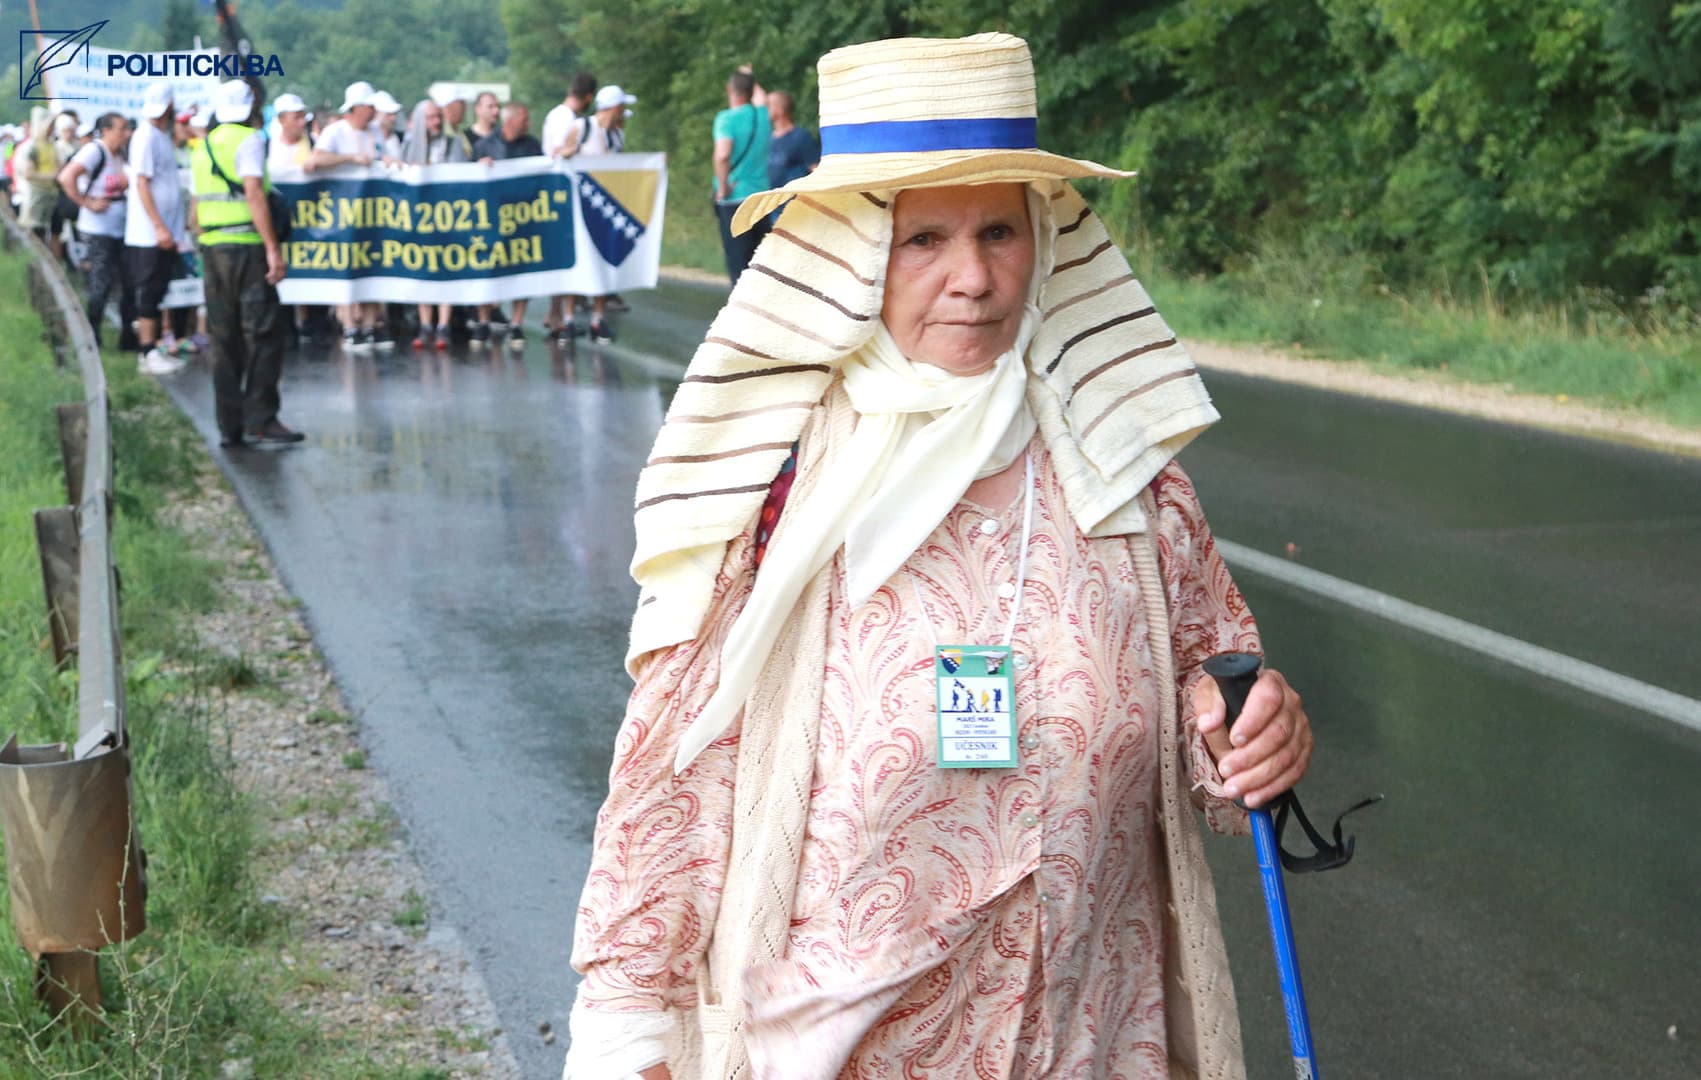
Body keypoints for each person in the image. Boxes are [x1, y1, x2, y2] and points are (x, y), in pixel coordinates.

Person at [563, 33, 1316, 1080]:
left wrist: (1253, 742)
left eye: (1000, 230)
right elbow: (669, 783)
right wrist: (626, 1033)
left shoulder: (1121, 467)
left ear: (1045, 243)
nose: (973, 277)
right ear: (855, 255)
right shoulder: (769, 479)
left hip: (1091, 1039)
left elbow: (1214, 706)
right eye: (925, 240)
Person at [193, 79, 301, 448]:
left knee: (224, 338)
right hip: (246, 248)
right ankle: (261, 417)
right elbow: (254, 193)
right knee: (264, 332)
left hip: (213, 247)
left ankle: (229, 425)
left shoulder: (203, 145)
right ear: (251, 106)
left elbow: (196, 206)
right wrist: (273, 248)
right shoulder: (249, 140)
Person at [555, 84, 635, 345]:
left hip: (603, 207)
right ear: (614, 107)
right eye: (622, 107)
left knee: (602, 260)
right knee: (576, 261)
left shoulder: (617, 135)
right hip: (578, 206)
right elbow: (560, 156)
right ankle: (567, 319)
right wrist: (570, 154)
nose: (624, 113)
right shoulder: (582, 128)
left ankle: (598, 318)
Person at [312, 81, 389, 351]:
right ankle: (350, 327)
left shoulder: (376, 131)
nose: (373, 113)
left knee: (372, 266)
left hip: (372, 212)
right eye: (369, 107)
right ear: (358, 108)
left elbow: (384, 157)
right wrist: (350, 158)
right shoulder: (335, 132)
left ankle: (370, 326)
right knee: (345, 268)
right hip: (342, 212)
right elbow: (315, 160)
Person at [125, 83, 189, 376]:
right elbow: (141, 183)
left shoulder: (161, 136)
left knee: (159, 288)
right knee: (149, 291)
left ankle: (154, 348)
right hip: (149, 232)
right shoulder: (145, 137)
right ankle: (147, 351)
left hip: (165, 231)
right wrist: (159, 225)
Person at [59, 112, 135, 349]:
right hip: (97, 228)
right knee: (101, 282)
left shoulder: (122, 153)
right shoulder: (95, 151)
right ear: (106, 130)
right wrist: (87, 202)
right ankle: (93, 334)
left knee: (127, 282)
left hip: (120, 227)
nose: (126, 134)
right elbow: (66, 176)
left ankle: (127, 336)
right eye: (121, 129)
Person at [472, 102, 544, 350]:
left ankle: (516, 323)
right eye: (524, 120)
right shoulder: (484, 145)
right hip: (491, 218)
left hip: (522, 218)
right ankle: (483, 321)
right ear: (510, 121)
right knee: (487, 267)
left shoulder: (532, 146)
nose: (528, 125)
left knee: (521, 269)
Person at [402, 98, 467, 350]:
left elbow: (461, 174)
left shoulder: (452, 144)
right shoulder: (409, 146)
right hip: (420, 218)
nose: (436, 122)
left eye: (438, 116)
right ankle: (425, 324)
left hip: (447, 216)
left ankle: (444, 324)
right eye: (430, 117)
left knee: (446, 269)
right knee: (422, 269)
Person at [711, 67, 770, 285]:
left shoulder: (726, 119)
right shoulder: (762, 115)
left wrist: (722, 187)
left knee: (739, 265)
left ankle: (741, 313)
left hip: (735, 200)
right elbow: (761, 97)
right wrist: (750, 76)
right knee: (759, 263)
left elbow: (723, 155)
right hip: (762, 198)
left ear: (729, 89)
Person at [764, 90, 818, 227]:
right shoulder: (767, 139)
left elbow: (815, 171)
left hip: (795, 210)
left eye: (768, 105)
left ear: (781, 110)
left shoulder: (800, 137)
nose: (765, 109)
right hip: (772, 209)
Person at [371, 91, 404, 161]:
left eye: (395, 114)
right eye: (388, 114)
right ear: (376, 113)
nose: (393, 118)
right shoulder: (368, 138)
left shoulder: (401, 138)